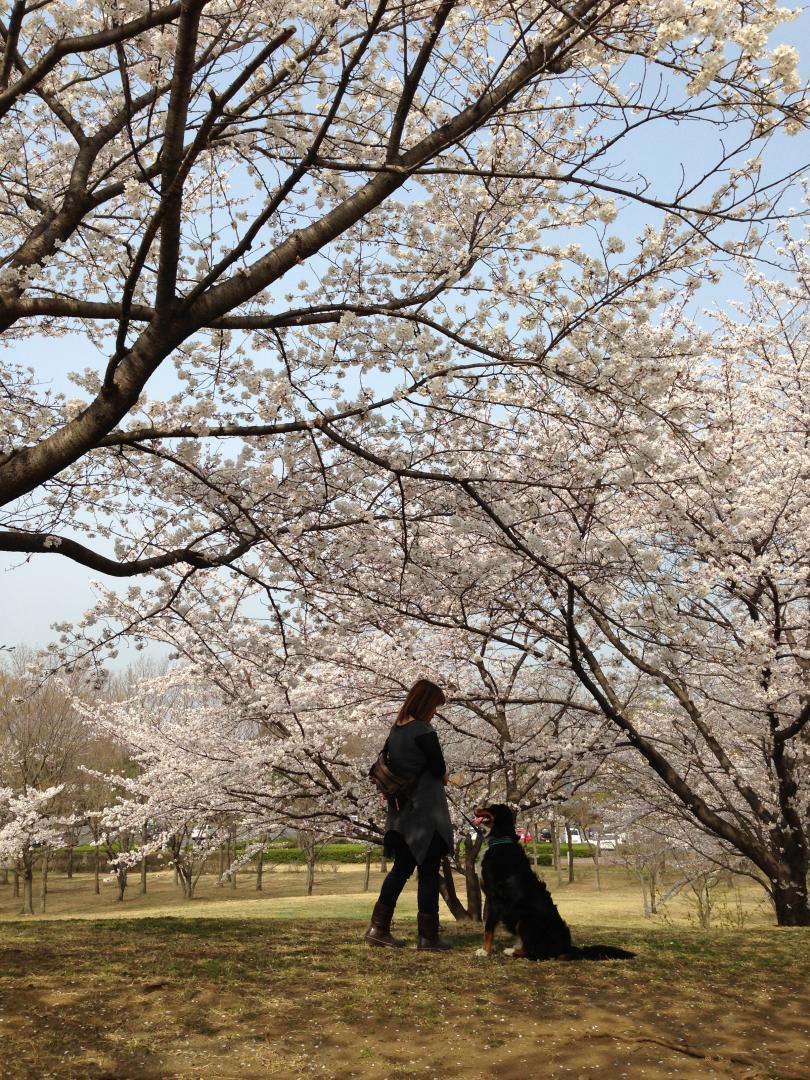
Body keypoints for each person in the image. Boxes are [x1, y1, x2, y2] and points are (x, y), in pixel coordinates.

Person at [364, 678, 454, 951]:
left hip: (402, 815)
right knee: (428, 872)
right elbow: (438, 771)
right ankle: (428, 937)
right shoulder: (424, 731)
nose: (435, 711)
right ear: (426, 703)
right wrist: (447, 776)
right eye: (435, 706)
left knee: (400, 870)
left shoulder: (395, 732)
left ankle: (378, 929)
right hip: (427, 815)